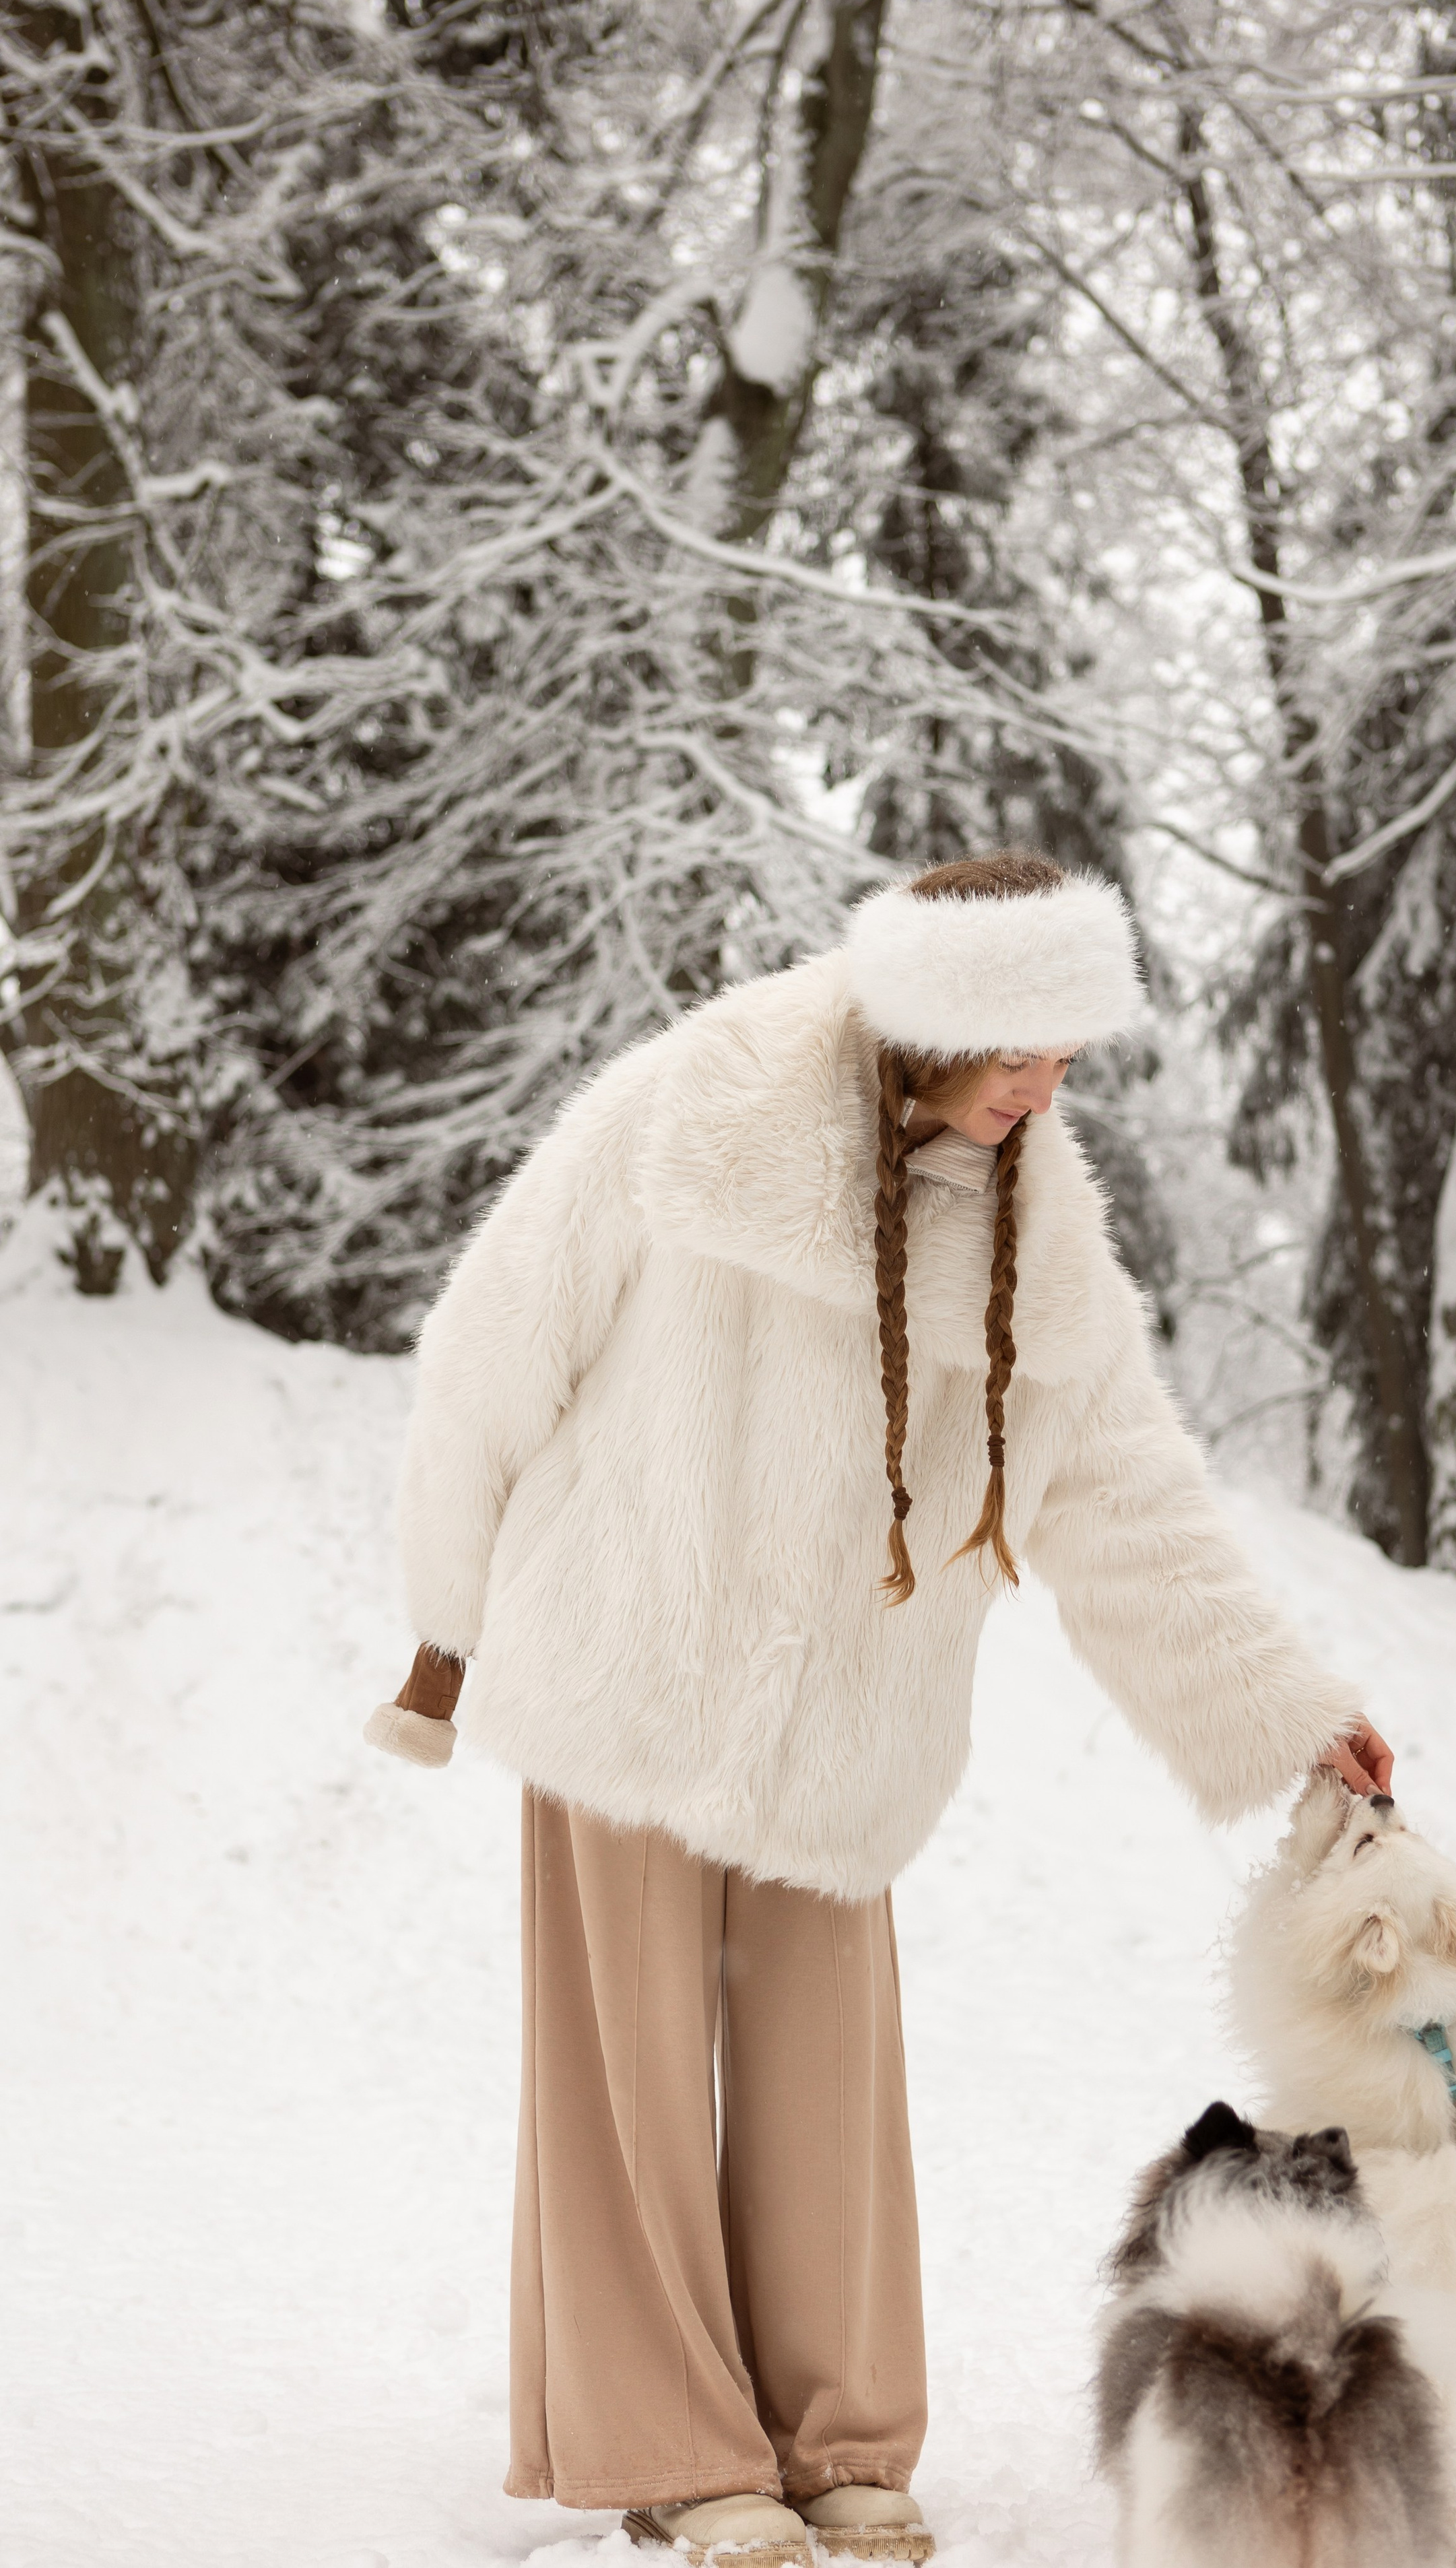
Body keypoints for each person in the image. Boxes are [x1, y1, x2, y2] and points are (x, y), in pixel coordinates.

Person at [366, 853, 1392, 2568]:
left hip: (848, 1722)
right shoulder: (696, 1103)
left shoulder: (1037, 1222)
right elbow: (491, 1350)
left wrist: (1286, 1712)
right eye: (1016, 1052)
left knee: (824, 2090)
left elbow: (1124, 1494)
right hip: (629, 1655)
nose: (1038, 1092)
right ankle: (677, 2448)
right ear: (930, 1013)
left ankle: (835, 2434)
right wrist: (439, 1638)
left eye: (1065, 1061)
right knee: (624, 2085)